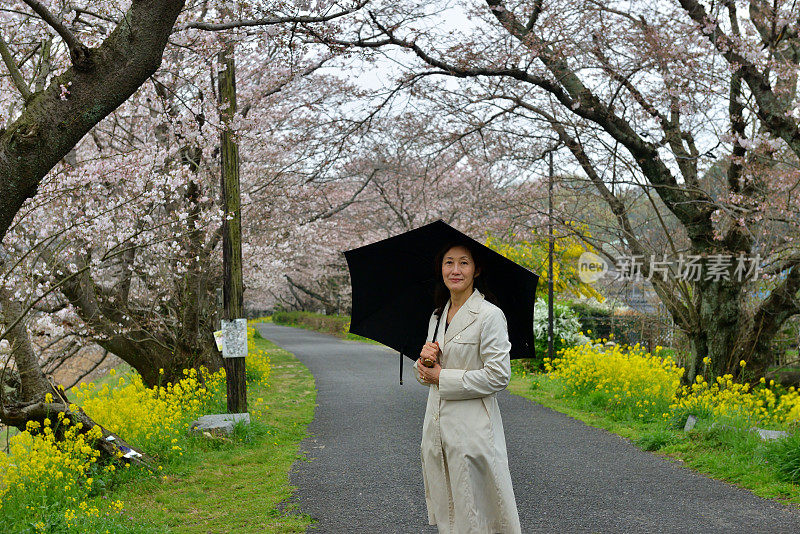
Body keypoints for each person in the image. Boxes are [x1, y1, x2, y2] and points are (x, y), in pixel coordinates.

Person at [414, 241, 522, 534]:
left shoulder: (489, 316)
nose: (456, 270)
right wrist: (423, 364)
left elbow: (498, 376)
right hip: (437, 428)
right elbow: (428, 371)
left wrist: (441, 377)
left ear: (476, 270)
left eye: (464, 263)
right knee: (450, 513)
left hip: (472, 432)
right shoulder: (437, 316)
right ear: (441, 268)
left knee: (478, 517)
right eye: (449, 262)